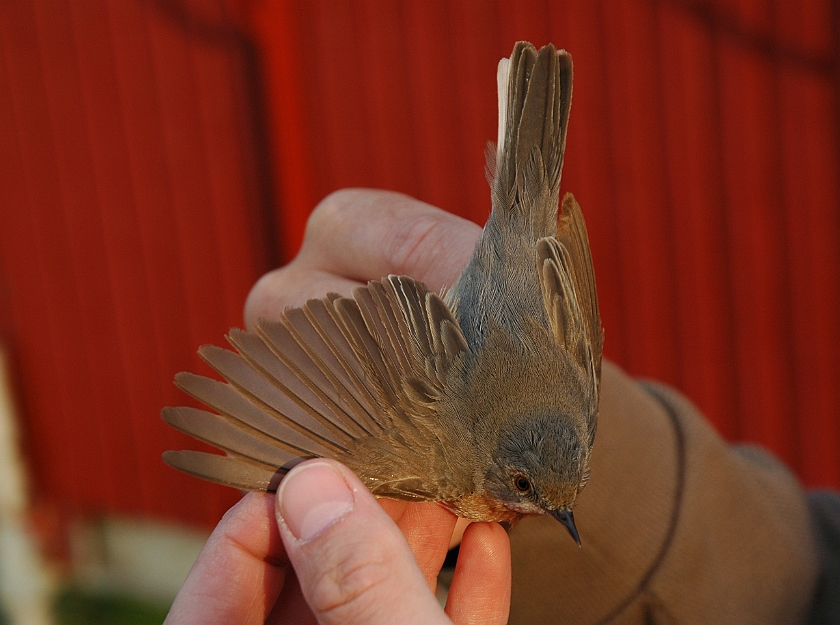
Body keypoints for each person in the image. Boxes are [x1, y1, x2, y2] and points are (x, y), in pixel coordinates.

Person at [167, 189, 831, 624]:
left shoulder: (575, 419)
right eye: (524, 487)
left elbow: (577, 337)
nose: (540, 504)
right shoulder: (447, 458)